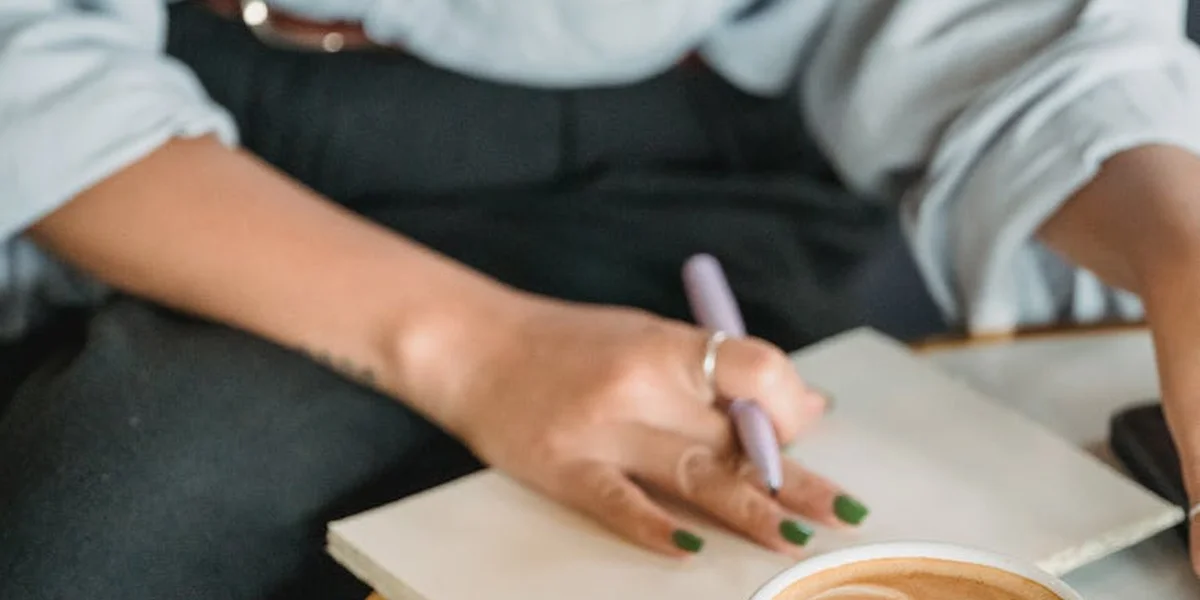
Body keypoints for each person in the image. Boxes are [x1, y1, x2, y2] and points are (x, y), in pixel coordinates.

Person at [3, 0, 1200, 597]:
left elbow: (1028, 38)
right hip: (183, 145)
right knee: (100, 537)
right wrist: (480, 352)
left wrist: (1187, 254)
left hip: (707, 153)